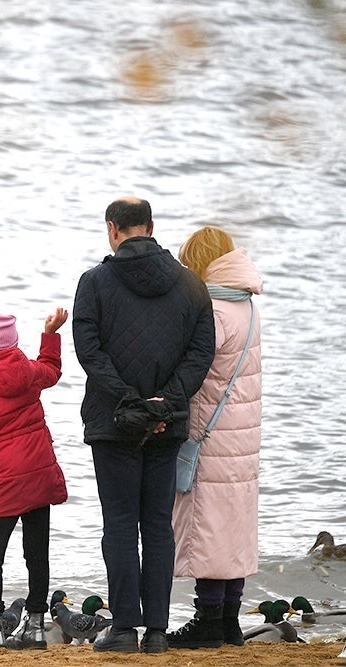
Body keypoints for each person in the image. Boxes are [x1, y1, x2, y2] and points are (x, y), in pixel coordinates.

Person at [72, 197, 215, 654]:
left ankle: (123, 630)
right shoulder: (192, 285)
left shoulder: (93, 282)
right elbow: (201, 353)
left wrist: (128, 400)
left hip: (114, 422)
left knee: (119, 524)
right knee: (157, 525)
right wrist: (165, 401)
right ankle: (156, 632)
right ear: (151, 227)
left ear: (112, 229)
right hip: (166, 423)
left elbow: (88, 350)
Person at [167, 226, 262, 648]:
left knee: (208, 523)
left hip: (213, 432)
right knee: (234, 524)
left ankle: (207, 621)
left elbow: (196, 368)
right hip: (243, 436)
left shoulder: (217, 311)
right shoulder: (246, 304)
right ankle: (229, 621)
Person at [0, 305, 70, 653]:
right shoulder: (30, 372)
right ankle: (35, 625)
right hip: (38, 475)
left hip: (4, 482)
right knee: (37, 553)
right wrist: (50, 333)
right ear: (13, 341)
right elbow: (52, 369)